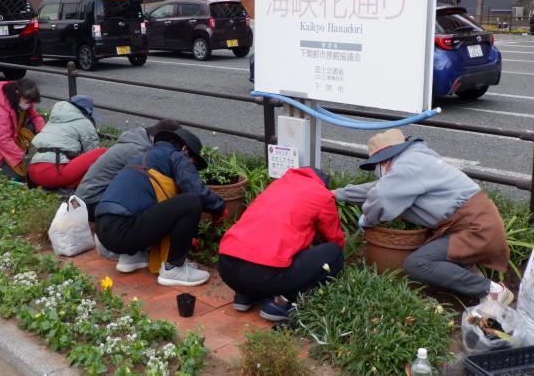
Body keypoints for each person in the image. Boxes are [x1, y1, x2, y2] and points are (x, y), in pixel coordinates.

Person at [335, 129, 512, 304]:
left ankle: (491, 290)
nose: (376, 170)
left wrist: (368, 219)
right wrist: (338, 194)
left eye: (375, 166)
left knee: (417, 263)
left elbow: (381, 196)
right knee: (434, 256)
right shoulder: (414, 160)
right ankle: (476, 281)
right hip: (472, 222)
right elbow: (378, 188)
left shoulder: (408, 166)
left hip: (475, 228)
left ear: (385, 160)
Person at [94, 128, 227, 285]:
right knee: (191, 201)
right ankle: (174, 268)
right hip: (124, 229)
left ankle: (132, 257)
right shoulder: (176, 155)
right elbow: (195, 190)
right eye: (193, 162)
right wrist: (219, 206)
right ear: (185, 149)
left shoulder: (146, 156)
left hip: (103, 228)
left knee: (150, 201)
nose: (193, 167)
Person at [218, 167, 345, 322]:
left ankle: (245, 295)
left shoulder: (276, 185)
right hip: (263, 274)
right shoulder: (322, 194)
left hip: (226, 267)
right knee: (334, 253)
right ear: (323, 184)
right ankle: (282, 301)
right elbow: (334, 238)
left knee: (264, 247)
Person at [75, 118, 181, 222]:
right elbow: (153, 184)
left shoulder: (135, 142)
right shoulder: (139, 152)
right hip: (89, 203)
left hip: (83, 199)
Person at [28, 95, 107, 189]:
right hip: (52, 172)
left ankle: (64, 185)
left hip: (32, 173)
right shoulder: (84, 122)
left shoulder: (52, 120)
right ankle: (69, 186)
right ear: (86, 111)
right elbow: (93, 153)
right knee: (101, 152)